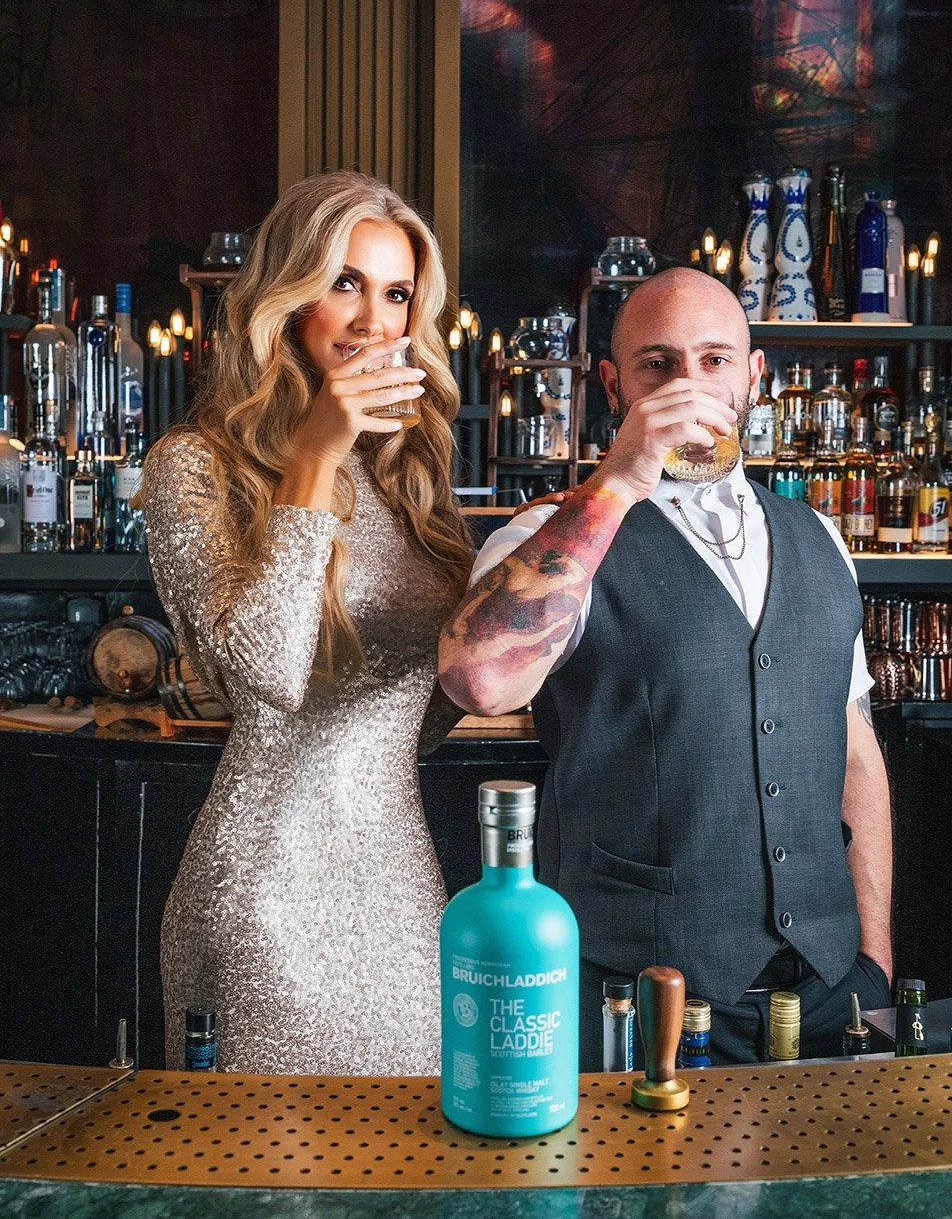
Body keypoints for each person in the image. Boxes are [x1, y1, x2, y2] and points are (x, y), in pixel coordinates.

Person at [439, 267, 893, 1068]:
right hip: (641, 999)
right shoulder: (548, 538)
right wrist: (619, 479)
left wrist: (875, 954)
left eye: (715, 359)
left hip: (832, 993)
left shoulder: (821, 540)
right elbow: (481, 680)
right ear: (614, 384)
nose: (688, 384)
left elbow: (854, 750)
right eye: (658, 364)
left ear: (755, 379)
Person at [144, 171, 473, 1074]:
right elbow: (270, 679)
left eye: (397, 293)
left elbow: (426, 716)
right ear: (288, 299)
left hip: (402, 895)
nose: (374, 320)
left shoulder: (409, 478)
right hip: (266, 902)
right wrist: (318, 454)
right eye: (345, 283)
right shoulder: (195, 468)